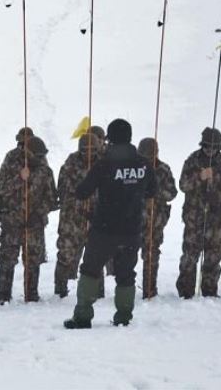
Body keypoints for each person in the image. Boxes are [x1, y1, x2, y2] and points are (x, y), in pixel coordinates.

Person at [64, 119, 156, 329]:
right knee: (126, 274)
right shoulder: (143, 164)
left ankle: (83, 316)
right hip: (132, 230)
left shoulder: (104, 164)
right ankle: (124, 316)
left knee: (90, 270)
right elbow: (152, 191)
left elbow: (82, 192)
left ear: (110, 139)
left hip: (104, 229)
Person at [175, 127, 221, 298]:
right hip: (194, 218)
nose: (210, 150)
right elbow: (182, 185)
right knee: (189, 256)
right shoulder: (192, 161)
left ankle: (209, 290)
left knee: (213, 257)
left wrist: (218, 195)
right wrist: (199, 177)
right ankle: (186, 291)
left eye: (214, 147)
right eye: (207, 146)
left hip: (216, 219)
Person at [0, 136, 58, 303]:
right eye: (36, 155)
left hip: (34, 224)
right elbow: (0, 191)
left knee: (33, 260)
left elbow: (52, 199)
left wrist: (39, 212)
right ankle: (3, 294)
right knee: (8, 259)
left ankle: (31, 294)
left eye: (42, 156)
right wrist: (20, 178)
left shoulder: (46, 172)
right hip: (12, 222)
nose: (40, 159)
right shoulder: (11, 166)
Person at [54, 133, 103, 298]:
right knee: (65, 254)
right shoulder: (70, 164)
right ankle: (60, 289)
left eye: (92, 149)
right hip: (72, 218)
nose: (88, 152)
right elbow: (63, 189)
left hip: (97, 218)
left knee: (97, 255)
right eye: (85, 149)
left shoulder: (105, 163)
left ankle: (98, 291)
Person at [136, 137, 178, 299]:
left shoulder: (163, 169)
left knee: (151, 255)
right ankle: (125, 289)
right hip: (133, 219)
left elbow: (172, 193)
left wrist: (155, 192)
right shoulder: (132, 168)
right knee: (127, 255)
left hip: (155, 220)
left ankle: (149, 290)